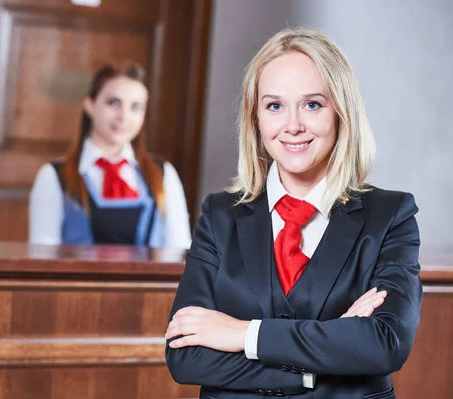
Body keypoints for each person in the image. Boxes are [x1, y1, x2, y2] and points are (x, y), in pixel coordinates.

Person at [165, 28, 421, 399]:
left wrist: (243, 334)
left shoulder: (390, 215)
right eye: (274, 106)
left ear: (341, 112)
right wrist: (329, 351)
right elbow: (185, 356)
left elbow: (385, 342)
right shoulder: (220, 216)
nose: (293, 125)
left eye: (313, 104)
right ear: (255, 119)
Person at [29, 62, 191, 248]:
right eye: (113, 103)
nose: (124, 117)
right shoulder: (54, 176)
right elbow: (42, 255)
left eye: (136, 107)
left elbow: (181, 249)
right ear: (89, 105)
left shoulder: (163, 174)